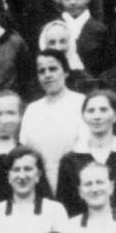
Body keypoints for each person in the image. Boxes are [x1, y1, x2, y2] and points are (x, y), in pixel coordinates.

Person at [55, 90, 116, 218]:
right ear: (83, 116)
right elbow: (65, 208)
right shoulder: (70, 161)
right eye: (91, 111)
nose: (97, 116)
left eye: (103, 110)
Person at [19, 50, 86, 193]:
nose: (47, 74)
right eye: (42, 71)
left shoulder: (82, 103)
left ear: (66, 72)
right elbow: (25, 149)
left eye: (53, 69)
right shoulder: (32, 109)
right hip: (40, 184)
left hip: (75, 180)